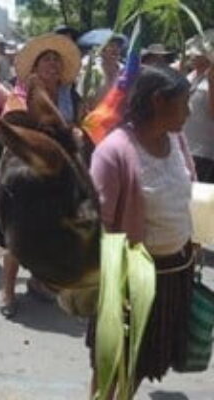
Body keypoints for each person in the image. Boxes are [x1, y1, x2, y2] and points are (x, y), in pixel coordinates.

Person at [89, 65, 195, 396]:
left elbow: (189, 184)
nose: (189, 112)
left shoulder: (177, 139)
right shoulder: (115, 151)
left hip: (174, 273)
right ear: (158, 101)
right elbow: (99, 224)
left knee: (142, 361)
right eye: (184, 103)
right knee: (112, 361)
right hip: (128, 281)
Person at [0, 33, 84, 318]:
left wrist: (76, 131)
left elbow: (80, 123)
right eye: (47, 59)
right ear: (34, 67)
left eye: (56, 61)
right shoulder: (21, 92)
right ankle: (8, 291)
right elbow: (12, 125)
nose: (52, 64)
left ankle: (39, 280)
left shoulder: (70, 93)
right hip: (27, 170)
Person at [183, 33, 214, 183]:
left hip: (204, 152)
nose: (192, 56)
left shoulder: (211, 78)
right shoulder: (190, 76)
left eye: (197, 53)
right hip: (184, 148)